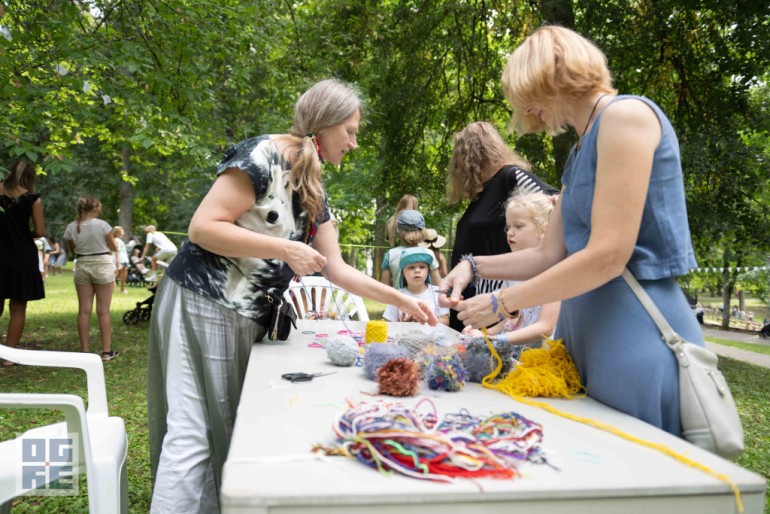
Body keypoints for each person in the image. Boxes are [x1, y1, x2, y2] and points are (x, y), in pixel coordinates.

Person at [146, 79, 438, 513]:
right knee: (194, 432)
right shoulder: (261, 155)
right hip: (201, 302)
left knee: (225, 427)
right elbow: (203, 228)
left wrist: (400, 301)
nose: (354, 144)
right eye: (351, 131)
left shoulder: (313, 188)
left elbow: (336, 269)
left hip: (244, 318)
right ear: (325, 124)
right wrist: (284, 248)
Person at [441, 26, 703, 438]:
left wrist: (503, 301)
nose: (528, 107)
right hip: (584, 341)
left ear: (556, 71)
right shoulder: (580, 150)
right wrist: (471, 266)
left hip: (633, 334)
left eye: (529, 92)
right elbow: (548, 254)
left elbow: (608, 255)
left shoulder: (626, 116)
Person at [446, 121, 559, 331]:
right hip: (478, 292)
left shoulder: (510, 176)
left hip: (502, 294)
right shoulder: (481, 196)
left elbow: (556, 202)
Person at [462, 191, 560, 359]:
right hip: (514, 357)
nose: (509, 232)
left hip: (540, 363)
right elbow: (511, 319)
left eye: (518, 226)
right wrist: (483, 334)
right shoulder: (512, 273)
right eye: (508, 227)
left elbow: (545, 327)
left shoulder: (555, 272)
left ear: (544, 230)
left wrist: (494, 339)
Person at [0, 160, 45, 367]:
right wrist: (22, 232)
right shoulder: (32, 198)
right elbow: (40, 232)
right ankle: (9, 357)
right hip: (22, 256)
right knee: (18, 307)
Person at [63, 195, 119, 360]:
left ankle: (85, 351)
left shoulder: (72, 227)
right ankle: (107, 352)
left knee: (84, 311)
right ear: (96, 208)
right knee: (103, 311)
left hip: (82, 266)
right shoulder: (103, 225)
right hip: (102, 265)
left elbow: (73, 250)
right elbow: (114, 247)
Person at [383, 246, 450, 325]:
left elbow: (445, 321)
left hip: (432, 337)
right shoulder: (396, 296)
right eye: (411, 267)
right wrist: (405, 324)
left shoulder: (438, 293)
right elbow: (389, 325)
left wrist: (426, 320)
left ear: (428, 271)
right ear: (403, 273)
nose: (417, 270)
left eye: (422, 267)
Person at [380, 210, 440, 289]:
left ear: (399, 230)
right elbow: (436, 283)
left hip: (398, 300)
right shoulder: (429, 253)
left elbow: (385, 286)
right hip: (424, 300)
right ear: (423, 231)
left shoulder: (391, 254)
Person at [113, 226, 129, 293]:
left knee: (123, 275)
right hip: (121, 259)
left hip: (124, 260)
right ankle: (112, 287)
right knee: (116, 275)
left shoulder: (119, 240)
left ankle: (122, 289)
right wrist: (117, 261)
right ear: (118, 233)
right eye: (122, 231)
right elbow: (116, 250)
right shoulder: (117, 240)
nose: (123, 233)